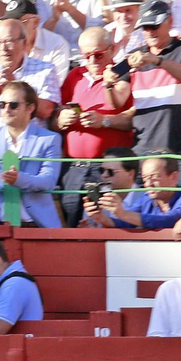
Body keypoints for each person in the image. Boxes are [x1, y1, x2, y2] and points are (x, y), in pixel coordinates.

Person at [54, 27, 134, 224]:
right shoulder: (75, 75)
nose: (92, 61)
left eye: (98, 55)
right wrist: (60, 118)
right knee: (71, 222)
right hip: (74, 167)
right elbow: (53, 115)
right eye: (86, 55)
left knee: (103, 223)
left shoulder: (123, 74)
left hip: (106, 168)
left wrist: (104, 121)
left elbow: (133, 119)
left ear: (112, 49)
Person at [0, 80, 64, 227]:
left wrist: (19, 179)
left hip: (35, 224)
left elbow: (48, 181)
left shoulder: (49, 139)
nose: (6, 109)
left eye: (13, 105)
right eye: (2, 105)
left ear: (30, 108)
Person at [0, 18, 62, 125]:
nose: (3, 48)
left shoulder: (45, 70)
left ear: (24, 42)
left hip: (30, 138)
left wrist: (17, 88)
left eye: (9, 41)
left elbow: (47, 110)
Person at [123, 0, 181, 153]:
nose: (150, 32)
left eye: (154, 25)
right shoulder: (134, 55)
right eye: (145, 27)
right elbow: (117, 101)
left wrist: (158, 60)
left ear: (170, 22)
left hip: (178, 151)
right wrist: (108, 84)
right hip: (141, 150)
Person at [105, 153, 181, 231]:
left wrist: (123, 214)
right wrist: (100, 217)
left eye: (154, 177)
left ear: (174, 177)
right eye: (145, 179)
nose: (148, 184)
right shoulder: (146, 199)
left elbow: (168, 220)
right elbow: (124, 222)